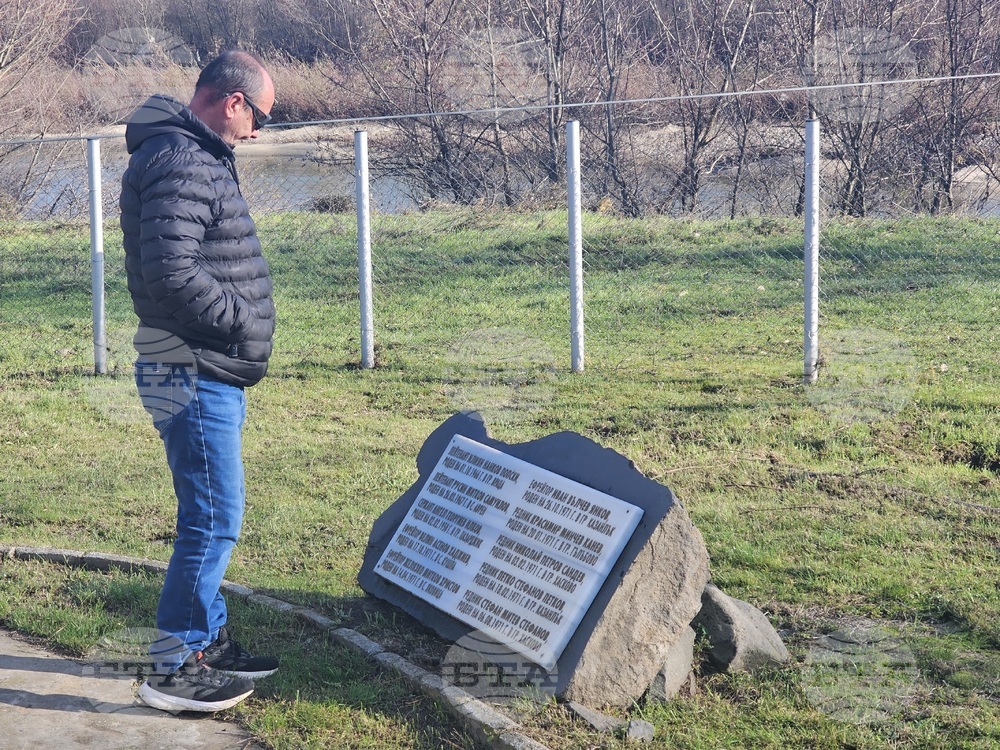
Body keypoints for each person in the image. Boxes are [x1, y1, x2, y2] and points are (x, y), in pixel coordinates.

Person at [119, 50, 278, 713]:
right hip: (193, 368)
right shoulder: (181, 159)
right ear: (232, 101)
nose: (260, 131)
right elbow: (173, 274)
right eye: (261, 117)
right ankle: (174, 664)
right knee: (213, 520)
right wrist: (241, 321)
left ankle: (206, 642)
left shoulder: (193, 153)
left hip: (207, 368)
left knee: (208, 514)